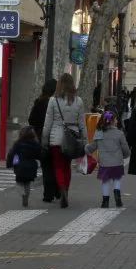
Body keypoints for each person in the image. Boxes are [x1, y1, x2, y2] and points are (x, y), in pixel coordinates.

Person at [42, 73, 88, 208]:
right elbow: (82, 124)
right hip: (72, 139)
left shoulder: (53, 100)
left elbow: (47, 123)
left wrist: (44, 140)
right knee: (67, 166)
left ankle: (61, 188)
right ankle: (65, 190)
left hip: (56, 138)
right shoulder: (78, 101)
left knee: (58, 166)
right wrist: (85, 141)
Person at [85, 110, 130, 208]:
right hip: (117, 162)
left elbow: (93, 146)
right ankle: (117, 193)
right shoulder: (119, 133)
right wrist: (126, 155)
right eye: (116, 119)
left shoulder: (99, 133)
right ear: (113, 121)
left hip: (104, 163)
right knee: (117, 178)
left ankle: (105, 201)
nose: (117, 120)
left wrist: (86, 150)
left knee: (105, 181)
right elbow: (125, 148)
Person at [28, 79, 58, 202]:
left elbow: (31, 120)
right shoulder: (57, 102)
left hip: (42, 137)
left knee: (47, 166)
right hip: (57, 136)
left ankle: (48, 194)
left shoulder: (40, 102)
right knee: (57, 164)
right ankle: (58, 190)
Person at [6, 126, 45, 207]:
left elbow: (11, 154)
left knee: (19, 183)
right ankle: (26, 199)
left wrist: (9, 164)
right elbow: (40, 154)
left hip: (20, 166)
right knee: (27, 183)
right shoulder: (35, 144)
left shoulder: (18, 144)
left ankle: (22, 194)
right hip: (32, 167)